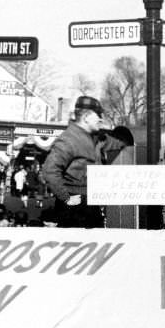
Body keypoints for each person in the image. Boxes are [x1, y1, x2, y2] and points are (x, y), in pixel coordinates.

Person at [41, 95, 106, 228]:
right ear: (86, 117)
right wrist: (66, 197)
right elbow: (50, 170)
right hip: (76, 208)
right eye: (98, 115)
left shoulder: (91, 138)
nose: (101, 119)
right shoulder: (69, 139)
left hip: (88, 204)